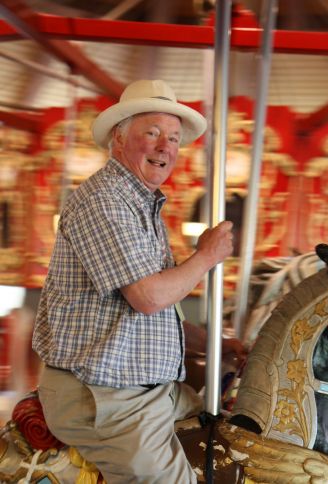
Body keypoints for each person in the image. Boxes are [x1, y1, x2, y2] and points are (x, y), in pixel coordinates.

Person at [32, 79, 242, 483]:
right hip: (104, 397)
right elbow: (147, 298)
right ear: (118, 138)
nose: (166, 147)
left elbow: (155, 320)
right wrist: (206, 256)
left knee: (234, 430)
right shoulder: (104, 200)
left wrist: (222, 346)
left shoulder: (141, 206)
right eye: (152, 133)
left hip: (146, 390)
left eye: (174, 139)